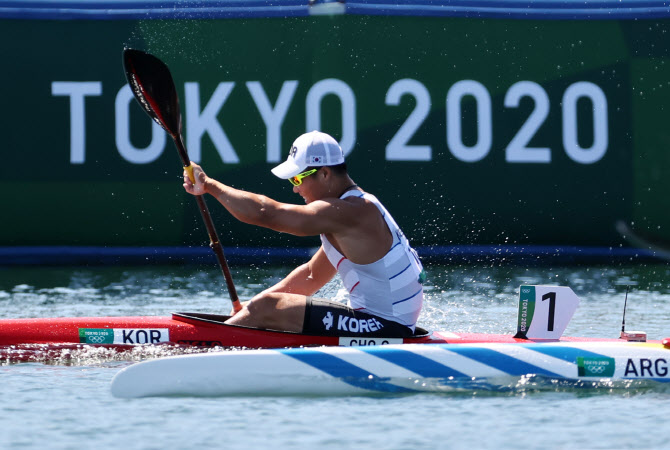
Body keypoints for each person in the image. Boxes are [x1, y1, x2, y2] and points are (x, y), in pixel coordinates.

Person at [183, 130, 424, 337]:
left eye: (298, 178)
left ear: (325, 173)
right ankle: (223, 335)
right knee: (263, 306)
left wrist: (210, 185)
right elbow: (311, 276)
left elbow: (266, 213)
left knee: (268, 307)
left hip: (387, 329)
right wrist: (249, 309)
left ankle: (200, 349)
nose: (296, 188)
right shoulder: (350, 214)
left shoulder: (352, 212)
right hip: (383, 323)